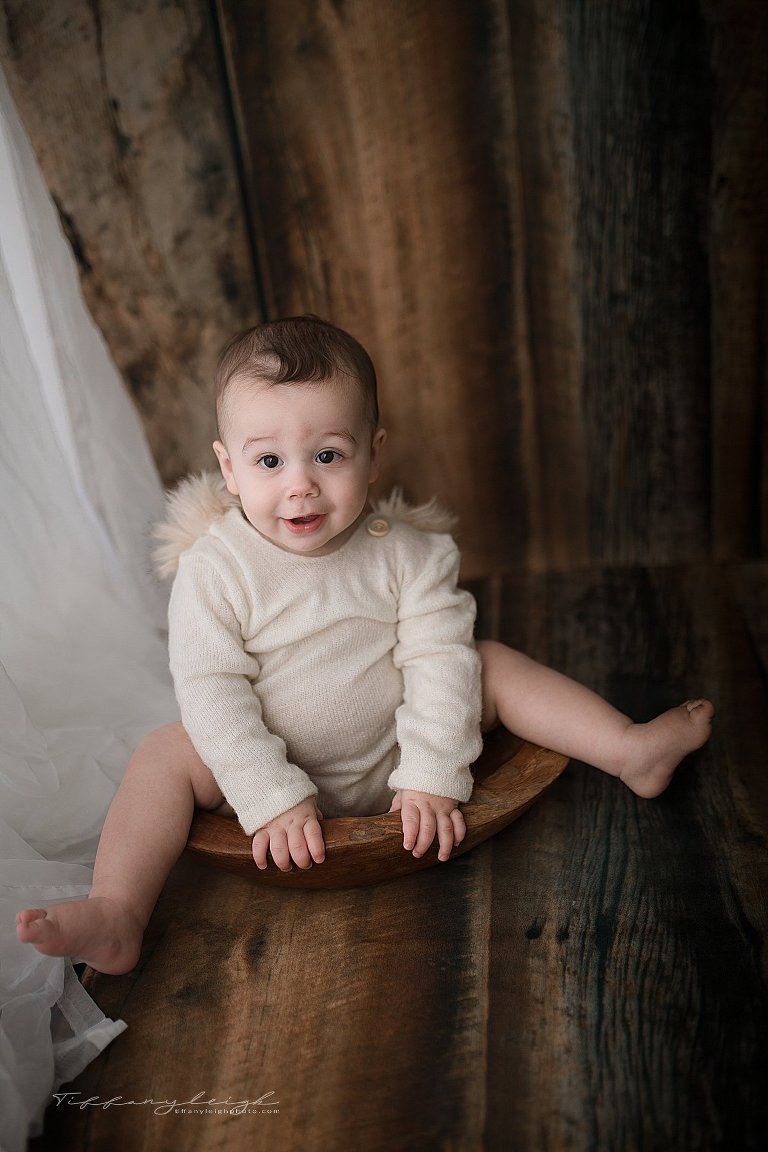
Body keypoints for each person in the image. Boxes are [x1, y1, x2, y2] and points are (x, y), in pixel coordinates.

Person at [16, 315, 714, 975]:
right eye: (268, 461)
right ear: (227, 470)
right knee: (165, 752)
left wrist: (432, 771)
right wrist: (269, 794)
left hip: (397, 755)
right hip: (268, 772)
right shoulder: (215, 568)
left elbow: (440, 661)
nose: (299, 485)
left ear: (373, 454)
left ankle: (628, 751)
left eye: (327, 454)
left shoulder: (409, 554)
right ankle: (118, 910)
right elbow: (211, 689)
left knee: (487, 664)